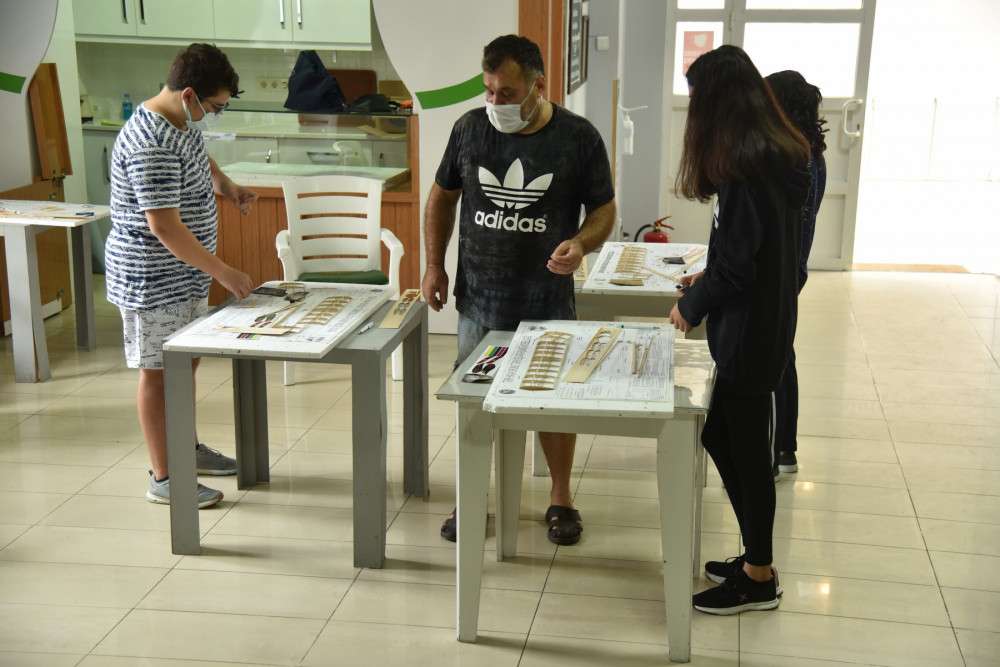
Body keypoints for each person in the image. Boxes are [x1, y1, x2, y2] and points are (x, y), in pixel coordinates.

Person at [422, 34, 616, 546]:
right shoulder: (469, 129)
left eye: (506, 93)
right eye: (488, 91)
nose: (495, 102)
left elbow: (604, 209)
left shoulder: (578, 137)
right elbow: (440, 199)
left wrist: (581, 243)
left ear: (538, 86)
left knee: (553, 403)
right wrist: (434, 266)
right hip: (480, 300)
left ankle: (560, 497)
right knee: (474, 402)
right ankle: (472, 497)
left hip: (546, 300)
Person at [668, 45, 810, 614]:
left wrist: (692, 305)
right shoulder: (768, 157)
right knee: (722, 436)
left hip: (750, 333)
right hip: (763, 322)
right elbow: (749, 251)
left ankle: (758, 575)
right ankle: (756, 557)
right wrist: (708, 275)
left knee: (745, 449)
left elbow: (737, 267)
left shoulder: (747, 170)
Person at [105, 43, 259, 508]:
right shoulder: (149, 140)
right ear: (189, 94)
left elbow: (198, 157)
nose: (214, 115)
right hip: (152, 279)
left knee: (184, 362)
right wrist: (224, 272)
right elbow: (165, 227)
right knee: (157, 373)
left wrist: (226, 186)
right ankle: (165, 476)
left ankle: (186, 449)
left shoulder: (180, 122)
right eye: (214, 106)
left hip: (185, 274)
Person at [765, 70, 828, 477]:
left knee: (775, 359)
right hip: (790, 270)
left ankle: (775, 451)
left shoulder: (794, 159)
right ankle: (785, 447)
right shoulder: (808, 153)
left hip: (781, 272)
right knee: (782, 355)